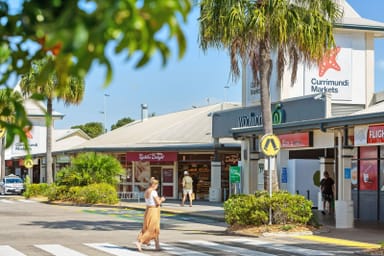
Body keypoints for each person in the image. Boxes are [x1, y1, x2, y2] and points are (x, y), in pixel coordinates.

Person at [135, 178, 166, 252]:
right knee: (152, 228)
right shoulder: (154, 192)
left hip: (148, 209)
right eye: (157, 185)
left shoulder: (147, 191)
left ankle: (157, 245)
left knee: (153, 227)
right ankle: (140, 242)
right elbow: (158, 202)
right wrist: (162, 199)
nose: (157, 186)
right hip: (153, 210)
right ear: (153, 184)